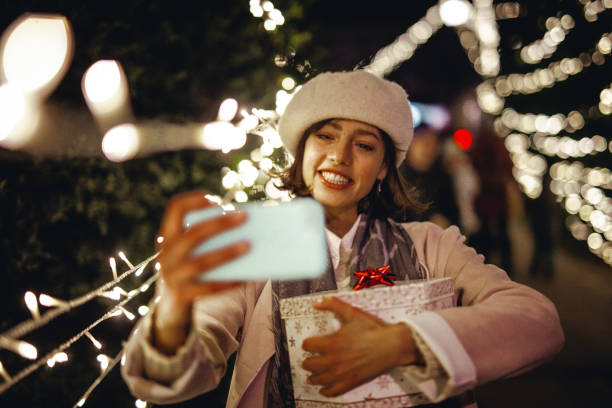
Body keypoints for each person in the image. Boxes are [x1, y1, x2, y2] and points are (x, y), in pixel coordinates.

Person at [121, 70, 564, 407]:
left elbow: (539, 322)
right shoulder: (258, 244)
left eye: (365, 145)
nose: (339, 156)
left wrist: (405, 342)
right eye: (325, 136)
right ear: (303, 150)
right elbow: (174, 374)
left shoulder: (431, 245)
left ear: (385, 167)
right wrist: (175, 311)